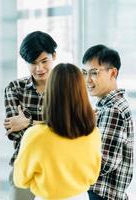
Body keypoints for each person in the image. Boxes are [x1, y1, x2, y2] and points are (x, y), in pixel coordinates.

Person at [13, 63, 102, 200]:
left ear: (50, 93)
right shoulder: (93, 133)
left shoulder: (35, 135)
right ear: (82, 92)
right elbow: (93, 177)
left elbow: (20, 179)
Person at [4, 31, 57, 200]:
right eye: (33, 63)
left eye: (44, 61)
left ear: (54, 56)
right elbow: (14, 132)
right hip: (24, 164)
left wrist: (29, 122)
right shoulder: (15, 88)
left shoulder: (66, 87)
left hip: (58, 167)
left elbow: (69, 128)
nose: (39, 68)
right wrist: (50, 125)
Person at [82, 45, 134, 200]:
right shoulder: (107, 106)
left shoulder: (113, 109)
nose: (87, 80)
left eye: (94, 73)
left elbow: (102, 162)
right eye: (85, 73)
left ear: (113, 73)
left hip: (101, 194)